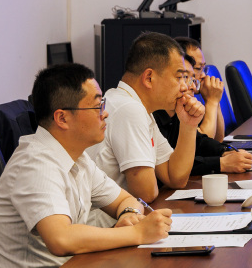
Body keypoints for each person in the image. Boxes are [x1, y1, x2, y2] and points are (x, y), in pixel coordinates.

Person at [0, 64, 172, 268]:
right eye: (97, 106)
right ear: (62, 118)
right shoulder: (36, 163)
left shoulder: (77, 158)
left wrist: (129, 215)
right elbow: (61, 239)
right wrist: (137, 233)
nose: (105, 113)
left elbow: (125, 199)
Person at [87, 32, 204, 204]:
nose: (185, 87)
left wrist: (189, 125)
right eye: (179, 77)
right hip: (109, 220)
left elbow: (175, 177)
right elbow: (145, 194)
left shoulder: (135, 105)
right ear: (149, 78)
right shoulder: (128, 109)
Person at [154, 52, 252, 176]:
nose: (191, 86)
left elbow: (201, 140)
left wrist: (225, 151)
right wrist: (221, 163)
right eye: (182, 77)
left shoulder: (177, 108)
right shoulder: (152, 114)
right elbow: (174, 165)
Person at [174, 36, 226, 143]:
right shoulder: (175, 101)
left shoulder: (191, 98)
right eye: (198, 68)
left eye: (204, 69)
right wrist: (212, 102)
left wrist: (214, 100)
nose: (203, 75)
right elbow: (203, 143)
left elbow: (218, 139)